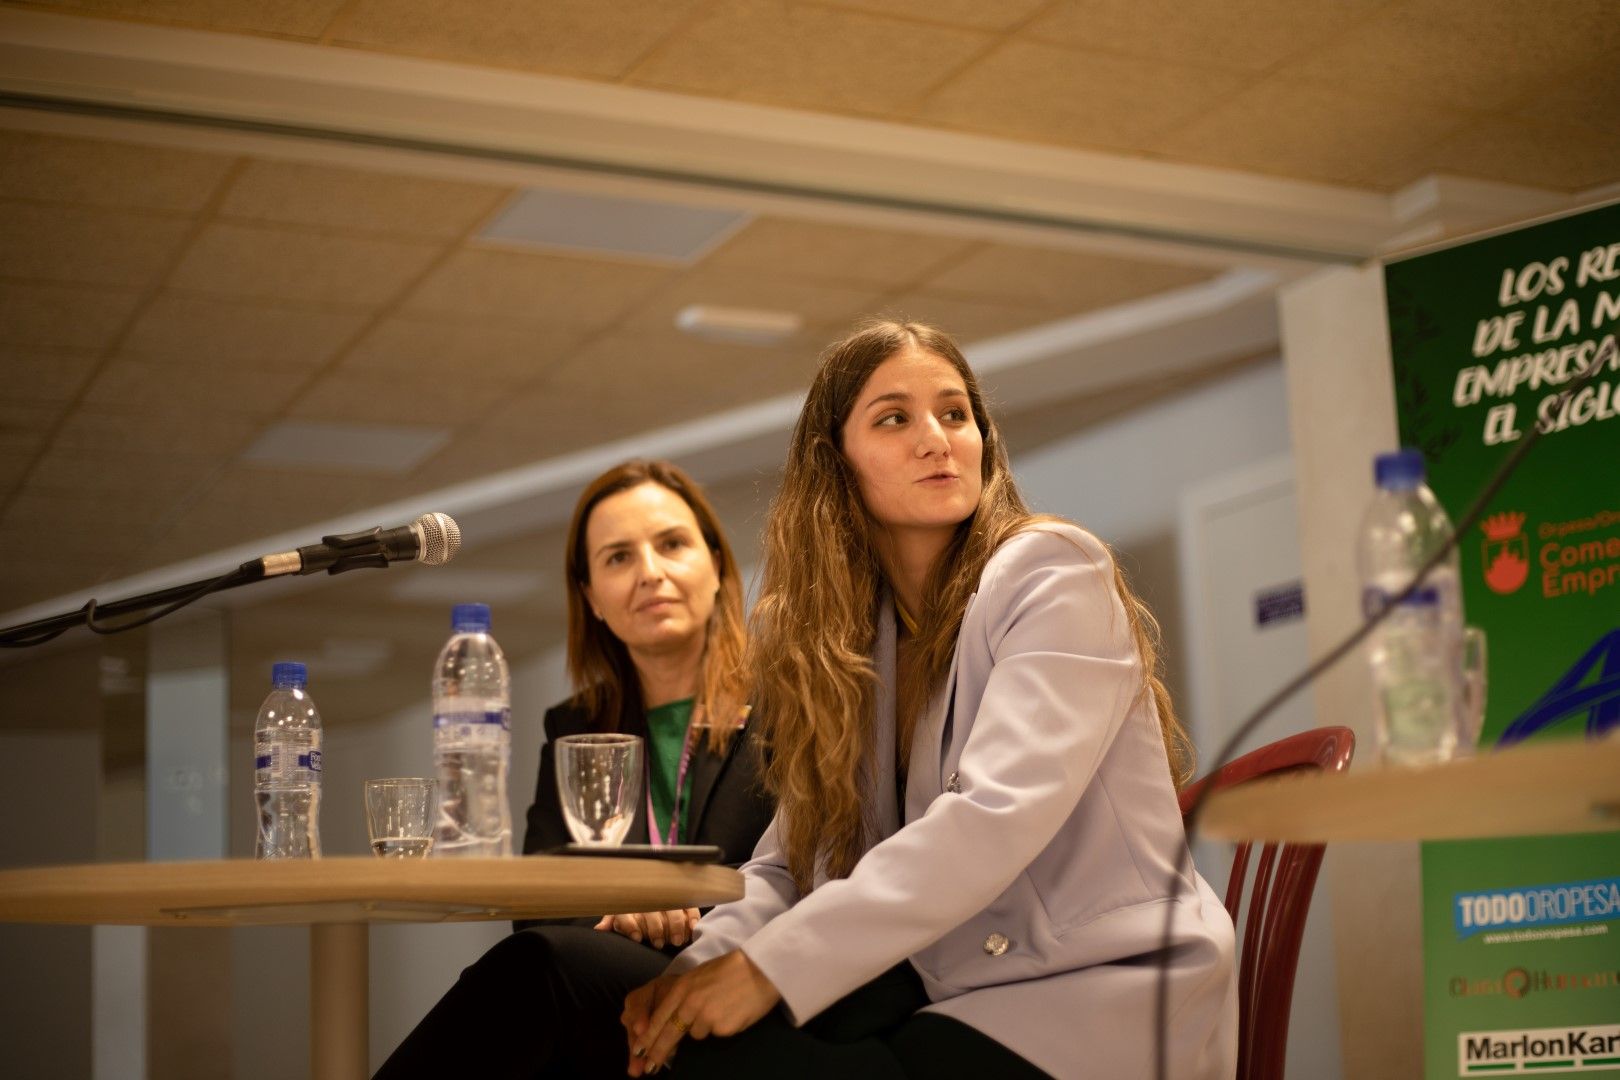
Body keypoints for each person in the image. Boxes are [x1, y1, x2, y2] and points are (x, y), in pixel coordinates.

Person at [616, 320, 1237, 1079]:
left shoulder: (1052, 572)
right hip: (957, 990)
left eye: (955, 413)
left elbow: (990, 818)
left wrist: (769, 970)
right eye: (894, 418)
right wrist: (696, 972)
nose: (937, 439)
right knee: (605, 1001)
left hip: (1101, 989)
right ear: (834, 465)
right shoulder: (848, 641)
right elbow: (787, 867)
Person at [375, 459, 773, 1079]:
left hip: (739, 969)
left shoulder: (791, 703)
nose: (650, 573)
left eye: (671, 544)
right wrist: (616, 911)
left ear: (718, 566)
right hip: (613, 979)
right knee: (535, 967)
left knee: (536, 970)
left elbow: (807, 865)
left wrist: (670, 908)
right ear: (591, 598)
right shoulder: (575, 726)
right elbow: (539, 899)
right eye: (618, 557)